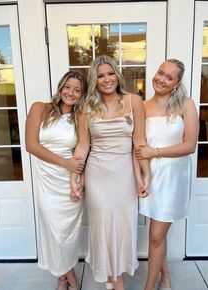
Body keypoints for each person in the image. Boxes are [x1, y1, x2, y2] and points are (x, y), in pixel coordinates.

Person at [70, 55, 150, 290]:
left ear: (117, 75)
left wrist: (144, 176)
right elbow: (83, 145)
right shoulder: (86, 107)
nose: (106, 79)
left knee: (123, 225)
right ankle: (117, 282)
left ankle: (114, 275)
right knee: (103, 224)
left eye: (110, 73)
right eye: (100, 75)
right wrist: (74, 176)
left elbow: (140, 142)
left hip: (124, 175)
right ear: (94, 80)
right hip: (97, 174)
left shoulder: (134, 101)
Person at [135, 59, 199, 290]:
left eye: (169, 77)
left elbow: (190, 145)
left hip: (173, 179)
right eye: (160, 73)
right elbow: (137, 145)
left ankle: (149, 287)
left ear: (177, 83)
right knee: (157, 236)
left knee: (155, 235)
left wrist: (156, 152)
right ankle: (166, 275)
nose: (161, 79)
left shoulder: (186, 104)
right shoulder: (141, 106)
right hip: (149, 177)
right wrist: (140, 176)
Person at [25, 71, 88, 290]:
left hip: (69, 180)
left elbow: (82, 150)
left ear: (82, 95)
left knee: (67, 234)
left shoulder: (81, 116)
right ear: (60, 87)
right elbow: (31, 146)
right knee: (54, 231)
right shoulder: (39, 108)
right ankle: (68, 277)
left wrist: (77, 180)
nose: (71, 93)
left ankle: (63, 276)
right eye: (67, 87)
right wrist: (65, 162)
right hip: (47, 180)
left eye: (77, 90)